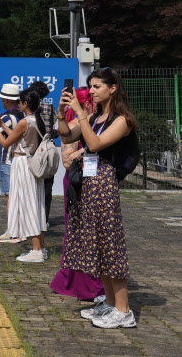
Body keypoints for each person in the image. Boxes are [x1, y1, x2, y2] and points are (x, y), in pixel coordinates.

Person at [57, 68, 138, 328]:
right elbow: (67, 136)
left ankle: (124, 310)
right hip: (89, 185)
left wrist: (80, 113)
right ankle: (111, 303)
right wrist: (62, 113)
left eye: (97, 86)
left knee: (111, 246)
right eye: (90, 86)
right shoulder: (95, 116)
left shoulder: (121, 119)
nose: (91, 91)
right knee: (98, 246)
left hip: (104, 184)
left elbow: (94, 145)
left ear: (112, 88)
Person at [49, 86, 105, 300]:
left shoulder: (99, 123)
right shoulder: (75, 125)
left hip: (94, 181)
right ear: (88, 104)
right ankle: (77, 280)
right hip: (77, 183)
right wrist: (92, 147)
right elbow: (66, 161)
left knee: (92, 233)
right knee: (79, 232)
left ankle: (89, 279)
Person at [0, 87, 47, 262]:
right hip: (31, 162)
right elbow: (18, 138)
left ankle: (36, 250)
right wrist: (2, 126)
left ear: (25, 103)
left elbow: (6, 143)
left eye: (21, 102)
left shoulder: (24, 121)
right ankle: (41, 248)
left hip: (23, 164)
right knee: (36, 204)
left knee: (28, 204)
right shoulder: (35, 119)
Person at [0, 83, 24, 243]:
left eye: (2, 98)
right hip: (16, 159)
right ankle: (18, 229)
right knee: (16, 196)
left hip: (6, 159)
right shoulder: (20, 116)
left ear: (7, 100)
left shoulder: (7, 117)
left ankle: (12, 231)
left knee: (9, 196)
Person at [30, 80, 59, 226]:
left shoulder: (28, 108)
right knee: (47, 186)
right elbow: (57, 129)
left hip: (31, 151)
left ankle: (31, 217)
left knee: (31, 186)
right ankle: (44, 219)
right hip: (46, 151)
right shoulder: (50, 108)